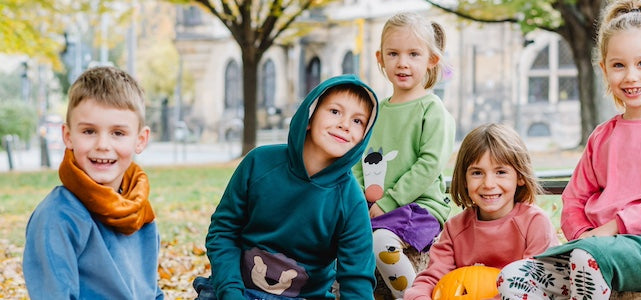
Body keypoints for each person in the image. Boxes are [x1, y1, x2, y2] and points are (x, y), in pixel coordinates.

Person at [497, 0, 641, 299]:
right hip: (593, 249)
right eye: (619, 65)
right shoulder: (602, 136)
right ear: (604, 69)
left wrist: (614, 227)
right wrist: (583, 236)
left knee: (586, 257)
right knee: (513, 277)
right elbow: (574, 198)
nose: (630, 76)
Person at [195, 74, 380, 300]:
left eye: (357, 121)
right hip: (234, 291)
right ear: (310, 117)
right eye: (335, 111)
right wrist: (231, 292)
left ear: (363, 136)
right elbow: (223, 231)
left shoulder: (350, 200)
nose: (344, 124)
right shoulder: (259, 163)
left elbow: (357, 278)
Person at [23, 66, 162, 299]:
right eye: (89, 131)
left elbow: (152, 292)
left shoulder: (140, 212)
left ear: (140, 140)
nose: (103, 145)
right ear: (68, 136)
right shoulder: (57, 217)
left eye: (118, 133)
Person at [351, 11, 456, 299]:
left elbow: (429, 164)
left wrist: (388, 202)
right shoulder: (377, 111)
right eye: (393, 54)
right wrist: (360, 197)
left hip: (419, 207)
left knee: (381, 242)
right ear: (380, 58)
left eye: (413, 54)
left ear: (431, 60)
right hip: (377, 207)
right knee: (345, 240)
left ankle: (414, 295)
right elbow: (359, 161)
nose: (402, 63)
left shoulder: (432, 111)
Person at [403, 123, 560, 300]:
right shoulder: (455, 229)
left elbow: (538, 283)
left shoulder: (534, 222)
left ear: (520, 177)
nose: (488, 184)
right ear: (464, 179)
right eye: (477, 173)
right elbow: (432, 279)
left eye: (500, 172)